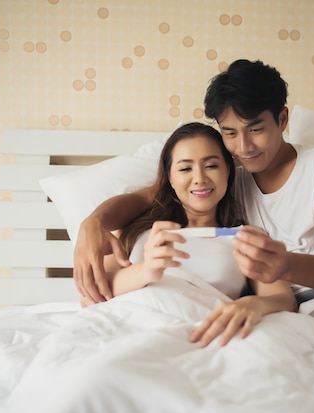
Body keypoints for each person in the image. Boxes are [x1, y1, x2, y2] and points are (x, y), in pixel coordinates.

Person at [74, 59, 314, 310]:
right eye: (230, 133)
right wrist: (94, 221)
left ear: (282, 119)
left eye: (256, 129)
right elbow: (153, 195)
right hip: (260, 308)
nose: (244, 146)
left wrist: (283, 267)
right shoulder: (228, 175)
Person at [80, 121, 297, 347]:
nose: (199, 178)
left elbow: (284, 299)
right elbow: (90, 296)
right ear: (170, 178)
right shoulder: (137, 229)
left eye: (211, 166)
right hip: (129, 330)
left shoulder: (243, 236)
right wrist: (147, 270)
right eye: (185, 168)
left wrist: (254, 304)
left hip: (201, 336)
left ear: (228, 172)